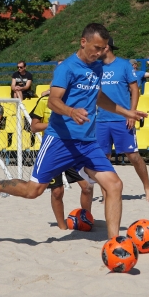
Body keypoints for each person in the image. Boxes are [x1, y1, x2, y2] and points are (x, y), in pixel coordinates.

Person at [0, 23, 148, 239]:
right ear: (83, 42)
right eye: (96, 47)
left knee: (114, 185)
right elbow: (53, 102)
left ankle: (114, 242)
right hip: (60, 140)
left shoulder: (97, 67)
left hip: (87, 142)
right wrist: (71, 111)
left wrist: (126, 112)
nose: (100, 52)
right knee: (33, 191)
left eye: (103, 48)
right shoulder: (66, 68)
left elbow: (99, 97)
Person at [97, 38, 149, 202]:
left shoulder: (124, 65)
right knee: (103, 158)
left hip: (121, 119)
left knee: (133, 156)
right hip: (101, 119)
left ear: (106, 47)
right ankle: (105, 193)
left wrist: (131, 112)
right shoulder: (96, 66)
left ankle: (147, 187)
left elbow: (135, 90)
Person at [29, 84, 94, 230]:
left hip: (73, 150)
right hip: (54, 151)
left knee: (87, 187)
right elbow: (34, 127)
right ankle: (62, 226)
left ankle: (86, 219)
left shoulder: (76, 101)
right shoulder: (44, 101)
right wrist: (52, 125)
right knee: (57, 191)